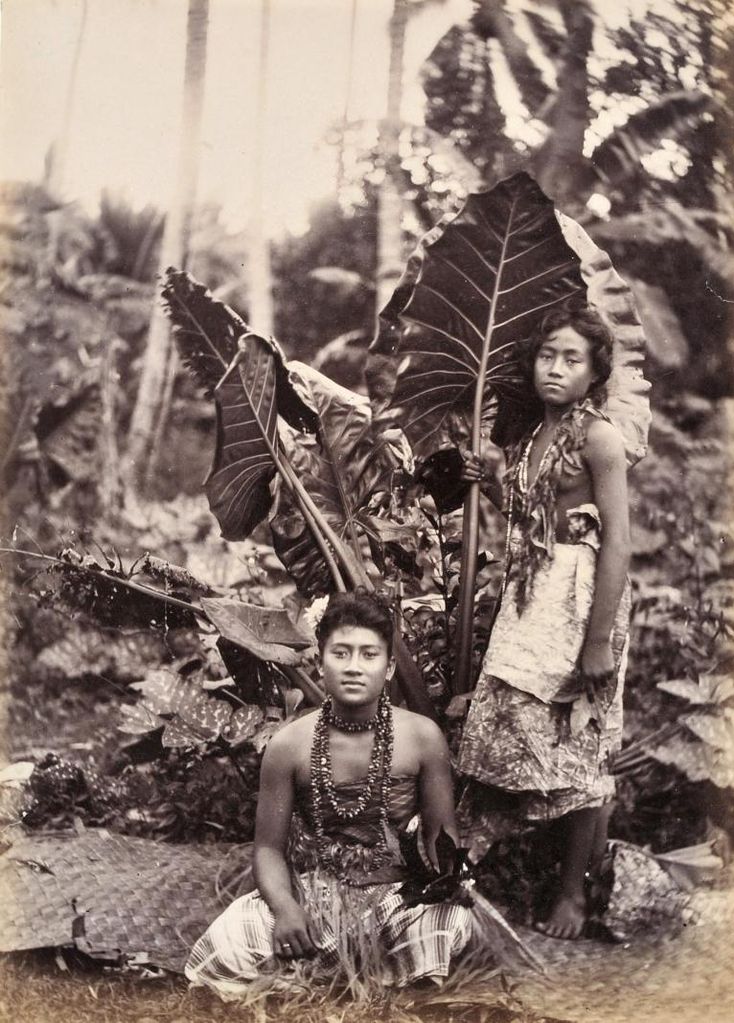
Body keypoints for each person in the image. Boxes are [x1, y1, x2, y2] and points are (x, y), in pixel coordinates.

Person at [185, 590, 520, 1000]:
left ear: (390, 666)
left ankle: (397, 980)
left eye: (368, 655)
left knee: (447, 924)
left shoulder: (421, 737)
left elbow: (441, 841)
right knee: (232, 938)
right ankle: (343, 970)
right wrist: (288, 909)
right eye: (340, 653)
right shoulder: (289, 745)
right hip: (317, 898)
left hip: (398, 900)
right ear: (320, 661)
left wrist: (445, 884)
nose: (354, 668)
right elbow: (268, 850)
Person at [457, 304, 631, 940]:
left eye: (571, 359)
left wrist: (597, 640)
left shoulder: (598, 438)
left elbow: (616, 543)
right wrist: (494, 479)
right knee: (513, 728)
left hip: (581, 602)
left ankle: (572, 898)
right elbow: (533, 519)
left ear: (595, 372)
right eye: (546, 356)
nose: (554, 369)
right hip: (531, 598)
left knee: (577, 746)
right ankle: (475, 868)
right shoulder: (531, 439)